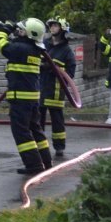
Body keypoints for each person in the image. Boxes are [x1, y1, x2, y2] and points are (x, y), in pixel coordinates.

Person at [0, 18, 52, 175]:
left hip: (20, 99)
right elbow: (15, 45)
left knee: (21, 132)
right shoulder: (34, 49)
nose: (18, 31)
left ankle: (34, 165)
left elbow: (0, 45)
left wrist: (4, 29)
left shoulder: (19, 48)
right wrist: (13, 31)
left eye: (21, 30)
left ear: (27, 33)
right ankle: (45, 160)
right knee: (35, 129)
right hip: (31, 98)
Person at [39, 17, 76, 158]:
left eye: (55, 25)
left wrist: (55, 68)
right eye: (51, 25)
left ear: (62, 29)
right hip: (41, 87)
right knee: (38, 119)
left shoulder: (66, 51)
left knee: (57, 120)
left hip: (56, 90)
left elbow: (70, 74)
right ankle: (39, 145)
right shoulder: (44, 45)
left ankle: (59, 147)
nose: (52, 28)